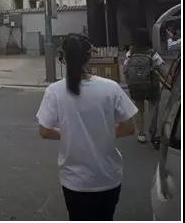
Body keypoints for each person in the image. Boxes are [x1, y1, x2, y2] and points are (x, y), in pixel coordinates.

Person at [36, 34, 137, 221]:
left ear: (63, 59)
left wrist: (70, 133)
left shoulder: (54, 91)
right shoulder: (111, 88)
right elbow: (129, 127)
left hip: (74, 181)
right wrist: (102, 132)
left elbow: (44, 131)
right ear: (89, 56)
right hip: (108, 177)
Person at [123, 28, 165, 146]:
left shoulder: (130, 53)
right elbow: (162, 69)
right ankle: (153, 133)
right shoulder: (152, 53)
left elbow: (125, 70)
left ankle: (141, 134)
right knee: (153, 109)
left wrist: (129, 82)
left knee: (139, 110)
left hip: (136, 85)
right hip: (152, 85)